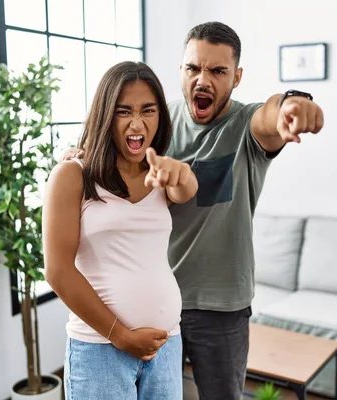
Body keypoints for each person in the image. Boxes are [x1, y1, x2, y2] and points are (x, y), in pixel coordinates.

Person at [64, 21, 324, 400]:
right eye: (193, 68)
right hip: (155, 305)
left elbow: (270, 115)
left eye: (217, 71)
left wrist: (292, 104)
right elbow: (117, 138)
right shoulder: (157, 123)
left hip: (220, 306)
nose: (203, 80)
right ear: (181, 71)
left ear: (236, 77)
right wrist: (79, 152)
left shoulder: (244, 127)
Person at [42, 61, 198, 400]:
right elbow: (57, 271)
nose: (137, 123)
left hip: (166, 345)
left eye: (148, 110)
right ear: (105, 115)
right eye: (123, 111)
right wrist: (121, 336)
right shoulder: (73, 176)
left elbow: (186, 189)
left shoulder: (159, 173)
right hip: (100, 349)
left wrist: (180, 173)